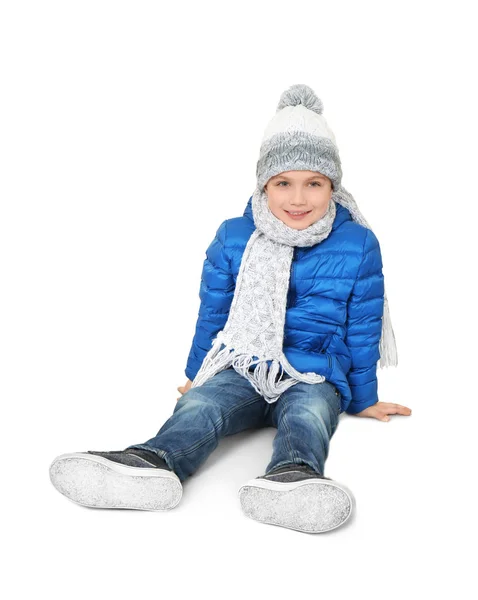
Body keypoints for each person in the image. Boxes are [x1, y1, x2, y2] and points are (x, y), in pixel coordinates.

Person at [49, 83, 411, 534]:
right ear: (263, 183)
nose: (298, 199)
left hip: (314, 371)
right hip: (243, 363)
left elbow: (363, 324)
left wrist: (365, 398)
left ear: (333, 186)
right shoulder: (234, 236)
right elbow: (214, 315)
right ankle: (151, 462)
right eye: (283, 183)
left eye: (313, 184)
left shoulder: (357, 242)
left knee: (309, 415)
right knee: (202, 406)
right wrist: (196, 374)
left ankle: (292, 478)